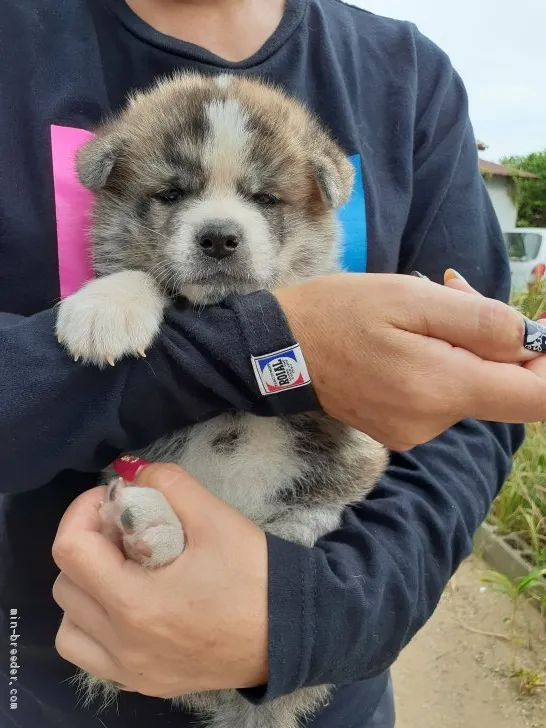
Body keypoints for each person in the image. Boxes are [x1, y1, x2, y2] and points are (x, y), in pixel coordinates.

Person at [0, 1, 545, 726]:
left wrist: (318, 614)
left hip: (324, 647)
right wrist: (272, 347)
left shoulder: (405, 76)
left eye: (263, 198)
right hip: (49, 684)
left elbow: (466, 412)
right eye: (173, 193)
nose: (222, 228)